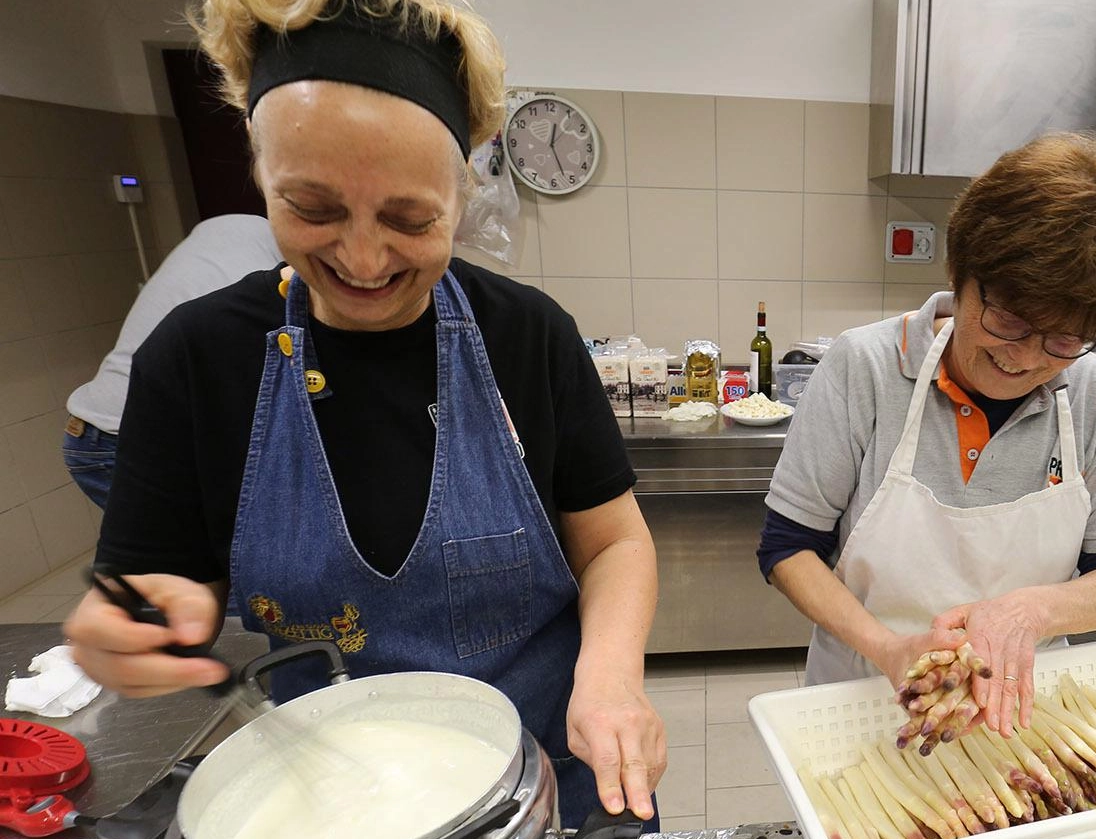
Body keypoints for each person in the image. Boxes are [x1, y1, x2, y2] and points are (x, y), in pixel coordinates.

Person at [62, 0, 665, 828]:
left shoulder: (528, 337)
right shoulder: (195, 360)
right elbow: (154, 591)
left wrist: (610, 679)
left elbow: (615, 542)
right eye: (312, 209)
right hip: (327, 801)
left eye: (409, 220)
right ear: (259, 170)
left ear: (462, 193)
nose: (363, 256)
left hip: (555, 765)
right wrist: (129, 633)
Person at [756, 133, 1096, 736]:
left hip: (1020, 714)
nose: (1023, 359)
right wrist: (890, 649)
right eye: (1008, 320)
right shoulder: (864, 366)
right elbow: (788, 548)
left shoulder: (1093, 391)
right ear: (959, 275)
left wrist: (1032, 610)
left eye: (1063, 340)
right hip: (868, 700)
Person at [63, 215, 282, 509]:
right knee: (227, 549)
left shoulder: (239, 228)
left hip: (113, 429)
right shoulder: (257, 289)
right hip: (115, 438)